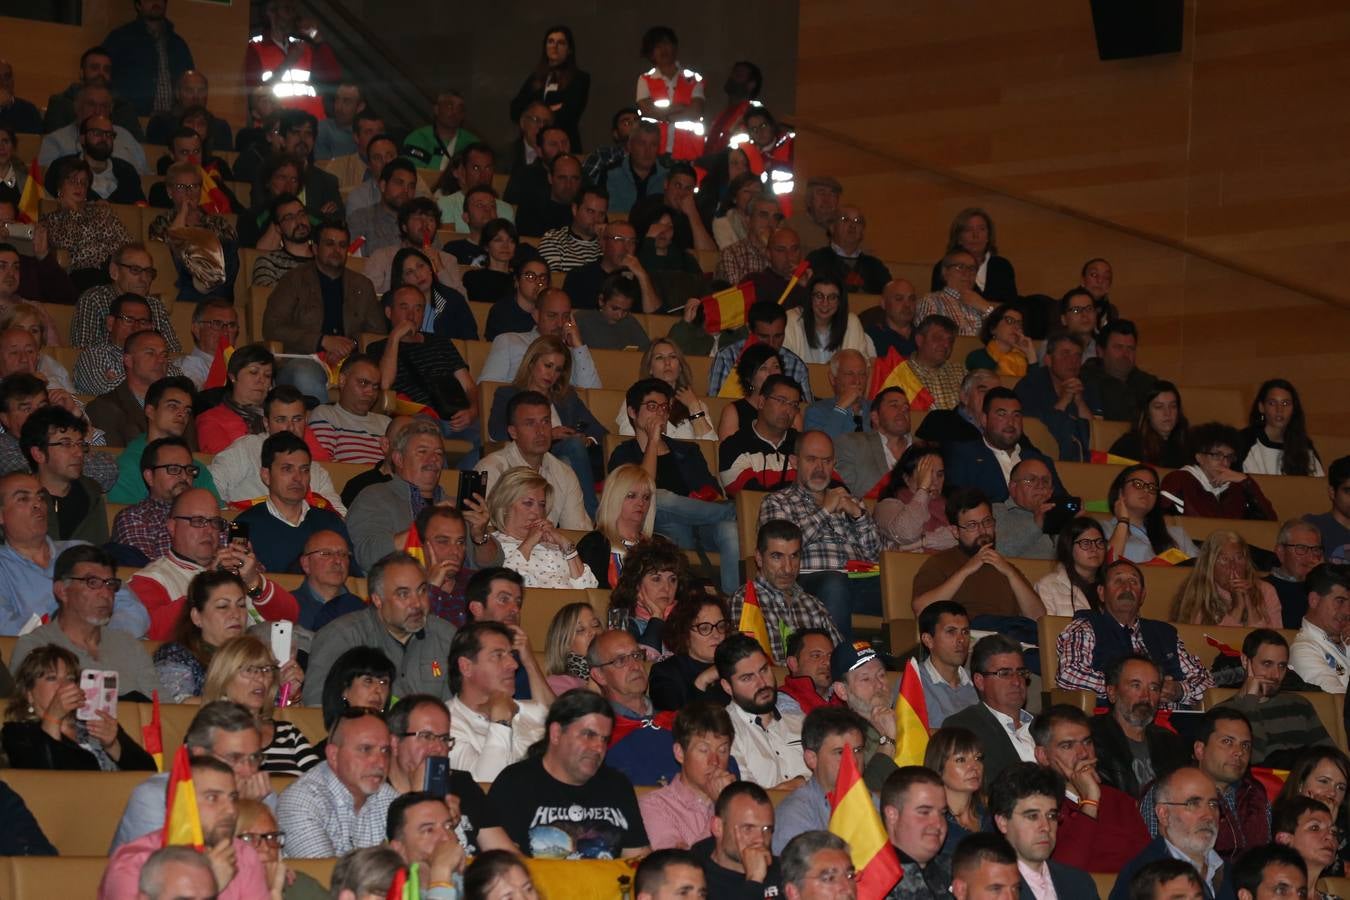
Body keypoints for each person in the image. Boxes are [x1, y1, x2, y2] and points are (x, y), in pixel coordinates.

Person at [487, 688, 650, 858]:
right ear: (556, 733)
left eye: (604, 739)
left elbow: (638, 857)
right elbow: (501, 865)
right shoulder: (515, 783)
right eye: (589, 735)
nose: (599, 748)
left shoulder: (617, 786)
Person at [759, 430, 884, 633]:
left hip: (860, 580)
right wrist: (825, 510)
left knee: (905, 587)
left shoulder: (850, 501)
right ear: (794, 461)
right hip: (807, 582)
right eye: (811, 460)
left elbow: (878, 556)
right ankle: (836, 662)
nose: (820, 468)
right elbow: (780, 548)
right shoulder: (777, 502)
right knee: (835, 584)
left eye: (826, 461)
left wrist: (859, 517)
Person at [110, 700, 277, 850]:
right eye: (234, 758)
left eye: (255, 757)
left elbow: (272, 864)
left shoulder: (262, 794)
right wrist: (240, 809)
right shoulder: (154, 797)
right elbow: (172, 874)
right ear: (200, 755)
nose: (248, 771)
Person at [0, 471, 148, 637]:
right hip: (44, 654)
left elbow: (132, 610)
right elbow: (6, 625)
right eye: (23, 499)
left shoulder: (80, 550)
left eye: (40, 497)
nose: (37, 505)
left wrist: (103, 640)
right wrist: (70, 638)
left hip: (106, 651)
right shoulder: (3, 567)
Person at [100, 757, 270, 900]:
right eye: (213, 798)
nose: (231, 809)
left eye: (233, 798)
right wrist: (210, 886)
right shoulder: (133, 864)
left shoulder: (243, 855)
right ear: (180, 804)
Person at [10, 544, 164, 699]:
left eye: (110, 584)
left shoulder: (129, 646)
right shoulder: (36, 647)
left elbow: (164, 711)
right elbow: (22, 713)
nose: (105, 593)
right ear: (62, 591)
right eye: (93, 582)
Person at [1056, 558, 1213, 708]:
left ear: (1143, 595)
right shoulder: (1086, 626)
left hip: (1168, 723)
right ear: (1101, 593)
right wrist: (1126, 687)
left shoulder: (1165, 634)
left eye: (1133, 582)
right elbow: (1068, 674)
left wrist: (1179, 690)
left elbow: (1206, 681)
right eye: (1118, 581)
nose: (1127, 587)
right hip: (1109, 724)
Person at [304, 552, 458, 703]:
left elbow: (460, 706)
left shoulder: (446, 636)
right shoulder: (342, 637)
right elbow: (318, 704)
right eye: (404, 594)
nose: (417, 603)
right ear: (377, 600)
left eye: (422, 591)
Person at [262, 220, 385, 401]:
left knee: (369, 377)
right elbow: (272, 327)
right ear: (315, 248)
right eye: (330, 244)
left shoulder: (362, 285)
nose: (337, 250)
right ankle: (320, 427)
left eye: (342, 245)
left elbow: (378, 333)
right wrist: (322, 341)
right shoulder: (293, 280)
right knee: (306, 376)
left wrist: (351, 344)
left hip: (349, 361)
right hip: (304, 359)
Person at [384, 695, 513, 854]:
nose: (439, 748)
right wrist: (423, 800)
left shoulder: (461, 784)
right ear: (395, 743)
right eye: (426, 736)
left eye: (444, 738)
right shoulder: (377, 796)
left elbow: (506, 856)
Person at [1028, 706, 1151, 873]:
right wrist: (1090, 801)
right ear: (1043, 756)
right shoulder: (1037, 807)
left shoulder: (1120, 801)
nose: (1083, 754)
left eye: (1087, 742)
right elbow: (1064, 876)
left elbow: (1151, 867)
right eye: (1067, 746)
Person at [1137, 708, 1271, 861]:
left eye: (1245, 745)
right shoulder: (1168, 791)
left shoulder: (1254, 794)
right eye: (1227, 742)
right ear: (1200, 750)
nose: (1239, 752)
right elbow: (1151, 857)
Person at [485, 334, 604, 505]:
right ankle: (591, 514)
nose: (552, 374)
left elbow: (599, 432)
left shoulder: (566, 398)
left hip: (564, 458)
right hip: (526, 457)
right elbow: (496, 432)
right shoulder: (508, 394)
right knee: (570, 452)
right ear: (532, 362)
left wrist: (587, 440)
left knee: (573, 449)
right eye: (547, 366)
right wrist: (550, 434)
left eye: (558, 369)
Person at [3, 644, 156, 771]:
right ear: (29, 693)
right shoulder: (17, 734)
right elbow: (44, 781)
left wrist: (112, 745)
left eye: (70, 678)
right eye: (51, 678)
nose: (65, 685)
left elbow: (149, 772)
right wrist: (53, 718)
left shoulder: (94, 721)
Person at [911, 487, 1046, 625]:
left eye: (987, 522)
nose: (983, 531)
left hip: (1008, 640)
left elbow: (1040, 619)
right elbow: (921, 610)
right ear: (955, 531)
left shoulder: (1007, 568)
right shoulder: (939, 563)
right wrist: (966, 570)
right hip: (965, 639)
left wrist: (1010, 573)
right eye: (972, 525)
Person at [343, 418, 463, 571]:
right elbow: (367, 556)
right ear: (399, 459)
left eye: (439, 454)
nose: (434, 459)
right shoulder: (374, 497)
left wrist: (479, 537)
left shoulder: (453, 504)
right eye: (422, 452)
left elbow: (484, 563)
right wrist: (425, 525)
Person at [277, 709, 399, 858]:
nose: (380, 763)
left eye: (385, 751)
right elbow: (323, 876)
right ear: (334, 756)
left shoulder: (387, 797)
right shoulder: (300, 802)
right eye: (366, 749)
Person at [370, 286, 480, 451]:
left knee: (486, 435)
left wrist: (472, 411)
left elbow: (469, 386)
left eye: (418, 308)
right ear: (388, 312)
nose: (411, 315)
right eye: (404, 307)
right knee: (426, 432)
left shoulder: (441, 342)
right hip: (416, 416)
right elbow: (385, 384)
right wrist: (394, 338)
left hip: (452, 413)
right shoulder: (377, 348)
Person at [206, 384, 345, 513]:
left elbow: (338, 514)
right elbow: (208, 489)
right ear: (266, 423)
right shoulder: (246, 449)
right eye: (281, 420)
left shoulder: (316, 472)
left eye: (297, 419)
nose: (290, 428)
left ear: (306, 421)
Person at [232, 431, 351, 574]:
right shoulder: (242, 525)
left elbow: (353, 577)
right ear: (266, 475)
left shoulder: (331, 523)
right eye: (287, 469)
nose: (298, 478)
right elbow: (233, 579)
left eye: (304, 470)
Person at [727, 520, 844, 665]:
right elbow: (743, 664)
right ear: (759, 557)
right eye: (777, 556)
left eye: (794, 556)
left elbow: (841, 660)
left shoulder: (813, 605)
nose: (788, 568)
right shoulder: (745, 600)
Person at [446, 620, 548, 782]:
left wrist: (530, 662)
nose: (514, 664)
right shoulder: (446, 726)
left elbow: (564, 725)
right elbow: (487, 785)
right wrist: (501, 722)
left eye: (512, 655)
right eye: (498, 656)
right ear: (466, 667)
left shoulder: (530, 710)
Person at [1215, 629, 1333, 767]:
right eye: (1267, 664)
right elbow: (1252, 761)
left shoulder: (1299, 706)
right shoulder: (1224, 713)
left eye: (1282, 666)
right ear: (1245, 661)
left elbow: (1331, 758)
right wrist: (1251, 700)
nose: (1276, 675)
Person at [479, 389, 592, 531]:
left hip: (548, 551)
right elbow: (484, 533)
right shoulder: (491, 469)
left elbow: (577, 532)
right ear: (513, 432)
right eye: (530, 423)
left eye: (545, 421)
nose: (540, 431)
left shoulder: (564, 473)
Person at [201, 636, 312, 775]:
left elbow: (323, 786)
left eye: (266, 669)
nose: (261, 677)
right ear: (223, 679)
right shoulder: (205, 735)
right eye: (249, 669)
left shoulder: (289, 733)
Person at [1108, 767, 1224, 900]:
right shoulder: (1142, 876)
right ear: (1164, 814)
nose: (1208, 816)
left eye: (1213, 804)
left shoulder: (1232, 873)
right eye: (1193, 804)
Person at [987, 763, 1100, 899]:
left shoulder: (1079, 882)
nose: (1046, 827)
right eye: (1032, 816)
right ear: (1003, 822)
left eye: (1051, 816)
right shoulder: (987, 887)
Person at [1089, 655, 1192, 799]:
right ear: (1112, 692)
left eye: (1153, 688)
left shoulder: (1172, 744)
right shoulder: (1090, 740)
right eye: (1136, 685)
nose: (1146, 697)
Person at [772, 707, 871, 854]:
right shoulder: (795, 814)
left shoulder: (874, 803)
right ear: (812, 759)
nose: (853, 762)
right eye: (840, 752)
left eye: (858, 751)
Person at [942, 634, 1034, 790]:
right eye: (1004, 673)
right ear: (979, 681)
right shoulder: (963, 727)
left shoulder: (1044, 725)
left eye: (1021, 672)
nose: (1017, 681)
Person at [719, 633, 810, 788]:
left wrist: (801, 783)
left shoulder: (800, 720)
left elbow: (828, 777)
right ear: (727, 687)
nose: (761, 683)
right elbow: (743, 796)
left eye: (764, 670)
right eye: (747, 678)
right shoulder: (722, 731)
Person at [485, 466, 598, 589]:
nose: (537, 512)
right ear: (505, 505)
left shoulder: (554, 544)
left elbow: (589, 588)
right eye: (528, 503)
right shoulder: (491, 544)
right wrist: (529, 543)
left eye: (542, 505)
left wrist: (567, 546)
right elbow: (504, 586)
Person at [39, 155, 134, 290]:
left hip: (114, 271)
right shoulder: (51, 219)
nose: (79, 186)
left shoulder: (100, 210)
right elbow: (67, 242)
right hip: (85, 275)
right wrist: (72, 211)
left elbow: (127, 242)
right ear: (60, 186)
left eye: (83, 182)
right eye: (73, 181)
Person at [20, 405, 110, 543]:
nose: (79, 453)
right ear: (38, 454)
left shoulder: (91, 492)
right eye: (66, 444)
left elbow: (100, 548)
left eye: (80, 444)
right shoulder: (18, 498)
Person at [1159, 423, 1278, 520]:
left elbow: (1270, 522)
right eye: (1217, 455)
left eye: (1229, 456)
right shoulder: (1179, 480)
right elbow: (1165, 524)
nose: (1224, 463)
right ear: (1199, 457)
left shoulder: (1238, 486)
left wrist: (1247, 483)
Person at [1014, 330, 1102, 462]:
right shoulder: (1030, 385)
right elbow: (1034, 432)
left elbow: (1097, 437)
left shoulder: (1088, 386)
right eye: (1065, 354)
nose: (1073, 361)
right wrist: (1064, 400)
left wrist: (1080, 402)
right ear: (1048, 360)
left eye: (1078, 356)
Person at [1169, 531, 1282, 627]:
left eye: (1239, 558)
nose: (1233, 566)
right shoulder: (1197, 592)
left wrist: (1250, 604)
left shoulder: (1266, 590)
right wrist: (1238, 607)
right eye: (1224, 559)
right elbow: (1204, 645)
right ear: (1210, 565)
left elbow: (1273, 642)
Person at [708, 300, 815, 401]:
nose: (771, 344)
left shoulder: (796, 365)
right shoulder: (727, 357)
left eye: (778, 336)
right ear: (750, 329)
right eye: (764, 336)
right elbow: (716, 403)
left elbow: (804, 410)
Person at [719, 373, 803, 496]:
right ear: (762, 402)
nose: (788, 410)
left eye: (794, 405)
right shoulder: (734, 446)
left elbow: (834, 486)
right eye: (781, 401)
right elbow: (751, 498)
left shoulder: (804, 444)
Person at [616, 339, 716, 441]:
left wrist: (694, 408)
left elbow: (711, 447)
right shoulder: (636, 400)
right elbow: (628, 440)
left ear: (680, 367)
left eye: (673, 357)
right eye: (659, 358)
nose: (667, 362)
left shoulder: (696, 404)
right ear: (650, 368)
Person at [649, 595, 734, 711]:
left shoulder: (735, 663)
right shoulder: (665, 673)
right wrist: (702, 681)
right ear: (684, 634)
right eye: (704, 628)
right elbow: (677, 724)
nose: (716, 635)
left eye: (721, 626)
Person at [40, 78, 146, 168]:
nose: (98, 111)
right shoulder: (55, 141)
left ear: (111, 110)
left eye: (104, 106)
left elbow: (144, 176)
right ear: (77, 107)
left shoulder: (127, 138)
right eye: (91, 104)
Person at [234, 799, 327, 899]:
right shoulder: (219, 891)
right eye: (250, 838)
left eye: (272, 837)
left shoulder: (301, 886)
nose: (266, 848)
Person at [1105, 465, 1197, 564]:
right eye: (1138, 484)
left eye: (1152, 487)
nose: (1146, 490)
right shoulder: (1102, 529)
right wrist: (1123, 521)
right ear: (1120, 491)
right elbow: (1108, 566)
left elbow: (1203, 569)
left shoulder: (1178, 535)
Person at [193, 342, 276, 454]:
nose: (261, 380)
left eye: (267, 375)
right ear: (233, 377)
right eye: (253, 372)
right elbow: (224, 463)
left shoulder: (280, 416)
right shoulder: (211, 420)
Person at [309, 353, 391, 465]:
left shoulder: (386, 423)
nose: (370, 392)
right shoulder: (325, 415)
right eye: (363, 383)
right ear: (342, 380)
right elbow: (324, 464)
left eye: (375, 387)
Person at [44, 114, 144, 204]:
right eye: (97, 133)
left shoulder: (127, 172)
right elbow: (48, 204)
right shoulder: (62, 167)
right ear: (82, 139)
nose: (104, 139)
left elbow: (140, 208)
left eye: (109, 134)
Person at [874, 445, 956, 552]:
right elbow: (907, 533)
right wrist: (923, 489)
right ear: (906, 478)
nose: (935, 482)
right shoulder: (887, 506)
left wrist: (922, 542)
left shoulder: (953, 503)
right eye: (927, 475)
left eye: (940, 475)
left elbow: (964, 536)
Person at [1238, 378, 1324, 477]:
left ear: (1294, 409)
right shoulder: (1244, 441)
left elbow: (1318, 485)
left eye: (1285, 403)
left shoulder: (1304, 445)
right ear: (1261, 407)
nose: (1279, 410)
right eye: (1272, 403)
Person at [784, 276, 875, 368]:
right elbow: (787, 366)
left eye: (832, 297)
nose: (825, 303)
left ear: (840, 301)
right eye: (819, 296)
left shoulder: (851, 322)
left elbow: (860, 369)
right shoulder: (792, 320)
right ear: (810, 298)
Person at [930, 208, 1018, 302]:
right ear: (959, 238)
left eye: (981, 229)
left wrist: (983, 306)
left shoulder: (1002, 266)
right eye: (968, 230)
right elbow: (939, 304)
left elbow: (1012, 308)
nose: (975, 235)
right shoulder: (946, 266)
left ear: (988, 236)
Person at [1081, 320, 1160, 423]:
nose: (1125, 354)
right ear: (1100, 351)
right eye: (1118, 347)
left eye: (1130, 348)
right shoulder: (1085, 383)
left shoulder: (1149, 385)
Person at [1288, 563, 1350, 693]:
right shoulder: (1303, 650)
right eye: (1340, 601)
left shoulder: (1346, 637)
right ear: (1314, 600)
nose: (1347, 611)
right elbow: (1338, 701)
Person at [924, 726, 986, 856]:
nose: (974, 767)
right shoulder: (930, 825)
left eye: (978, 758)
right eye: (961, 760)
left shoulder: (993, 818)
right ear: (939, 768)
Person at [917, 601, 979, 728]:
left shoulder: (978, 681)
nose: (961, 639)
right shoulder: (914, 682)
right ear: (928, 640)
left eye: (965, 632)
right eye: (951, 632)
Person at [805, 206, 892, 296]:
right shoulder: (816, 259)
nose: (852, 225)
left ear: (862, 232)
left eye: (857, 221)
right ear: (832, 227)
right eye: (845, 219)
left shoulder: (875, 266)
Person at [293, 529, 365, 632]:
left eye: (343, 554)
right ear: (306, 564)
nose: (338, 561)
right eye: (326, 553)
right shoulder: (287, 608)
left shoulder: (362, 610)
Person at [1034, 517, 1108, 616]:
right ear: (1068, 547)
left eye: (1099, 542)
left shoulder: (1114, 586)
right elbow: (1047, 628)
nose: (1094, 549)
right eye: (1085, 543)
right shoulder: (1047, 586)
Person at [893, 315, 968, 411]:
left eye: (950, 340)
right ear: (919, 340)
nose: (946, 344)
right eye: (938, 338)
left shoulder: (961, 373)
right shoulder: (900, 372)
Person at [1109, 381, 1191, 469]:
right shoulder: (1128, 446)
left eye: (1173, 406)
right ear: (1147, 413)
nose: (1167, 413)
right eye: (1159, 407)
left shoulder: (1189, 443)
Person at [917, 249, 997, 337]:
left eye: (972, 268)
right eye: (960, 267)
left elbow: (1002, 336)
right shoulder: (931, 301)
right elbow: (931, 340)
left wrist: (987, 308)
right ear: (945, 272)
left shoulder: (980, 304)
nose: (967, 273)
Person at [318, 647, 394, 739]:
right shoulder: (324, 752)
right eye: (368, 681)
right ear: (345, 689)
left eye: (384, 682)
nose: (378, 690)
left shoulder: (394, 747)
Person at [992, 458, 1059, 560]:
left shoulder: (1059, 514)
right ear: (1013, 487)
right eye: (1031, 480)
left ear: (1051, 491)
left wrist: (1076, 529)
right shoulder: (995, 512)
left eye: (1045, 481)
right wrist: (1036, 525)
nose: (1040, 486)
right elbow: (995, 553)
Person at [348, 159, 418, 255]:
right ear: (383, 186)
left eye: (411, 186)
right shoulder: (361, 219)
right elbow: (353, 262)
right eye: (399, 183)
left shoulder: (421, 223)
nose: (406, 190)